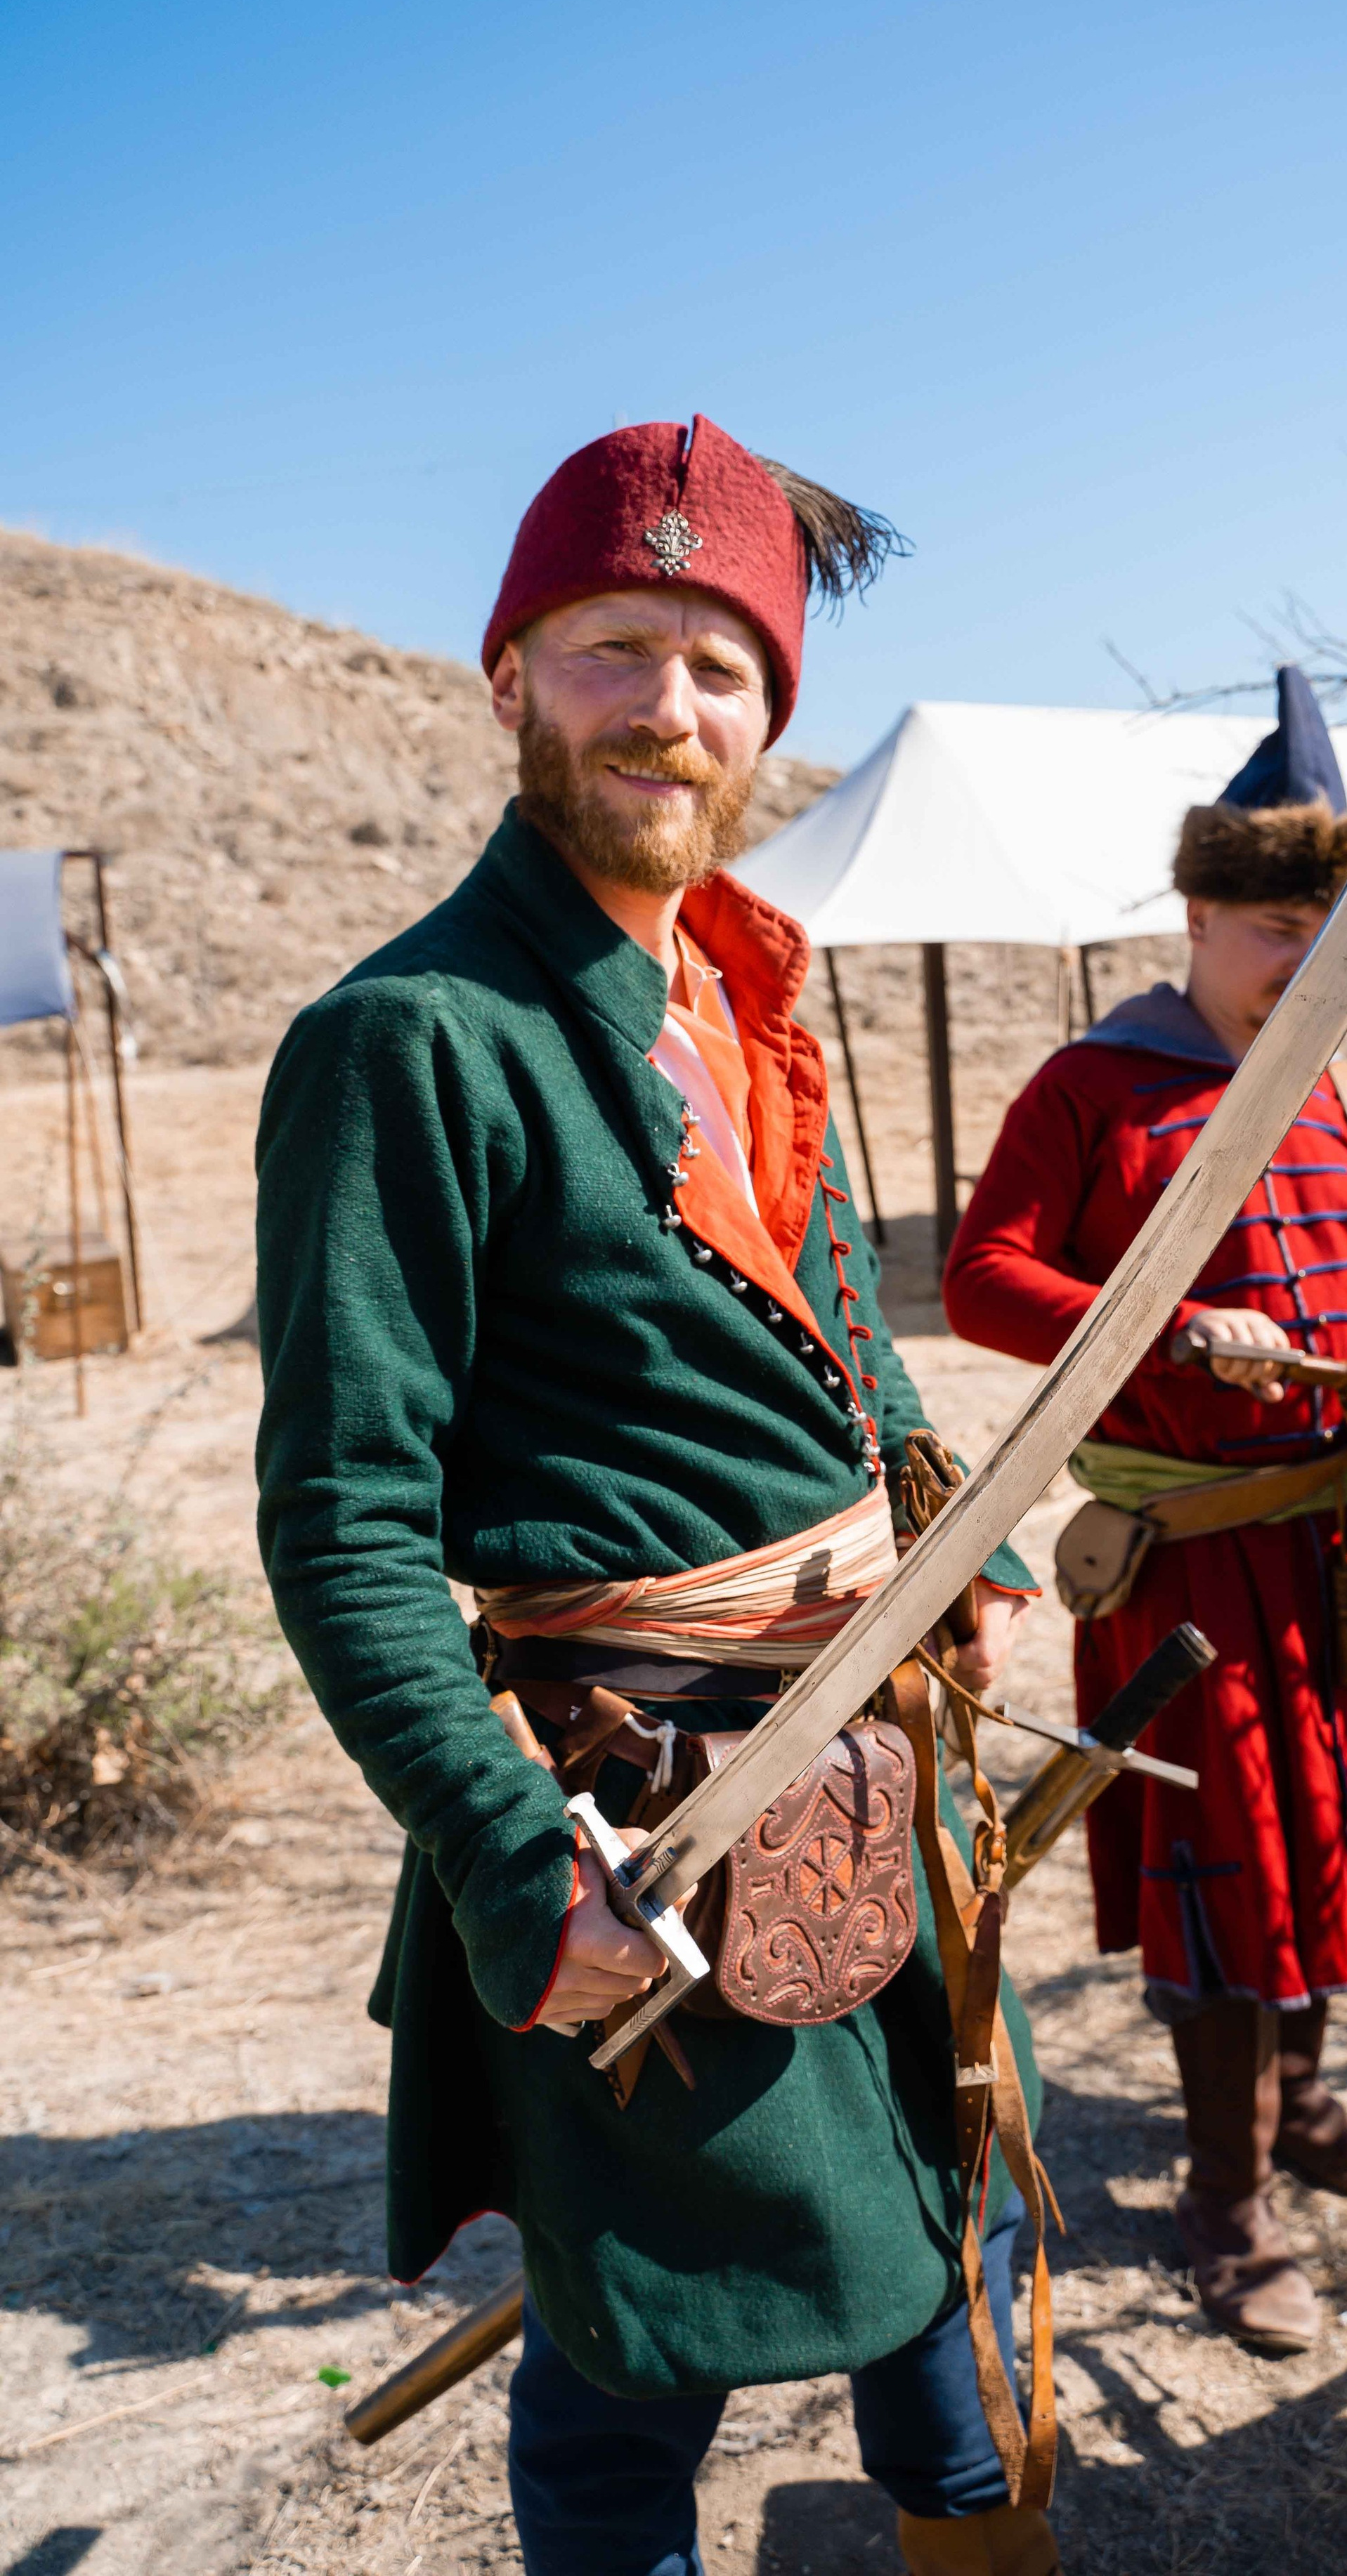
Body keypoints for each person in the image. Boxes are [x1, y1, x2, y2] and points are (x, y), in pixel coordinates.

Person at [255, 417, 1060, 2576]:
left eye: (719, 668)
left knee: (944, 2253)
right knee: (637, 2371)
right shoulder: (415, 1040)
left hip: (878, 1770)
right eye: (615, 648)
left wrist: (922, 1513)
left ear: (769, 719)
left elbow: (841, 1324)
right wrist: (527, 1864)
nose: (666, 707)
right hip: (646, 1811)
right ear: (509, 672)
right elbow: (344, 1525)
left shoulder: (753, 994)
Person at [942, 666, 1347, 2355]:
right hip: (1187, 1563)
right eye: (1275, 926)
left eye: (1331, 934)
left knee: (1338, 1844)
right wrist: (1162, 1318)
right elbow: (981, 1280)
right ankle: (1225, 2196)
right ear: (1196, 913)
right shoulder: (1091, 1088)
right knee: (1225, 1869)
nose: (1301, 963)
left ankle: (1301, 2104)